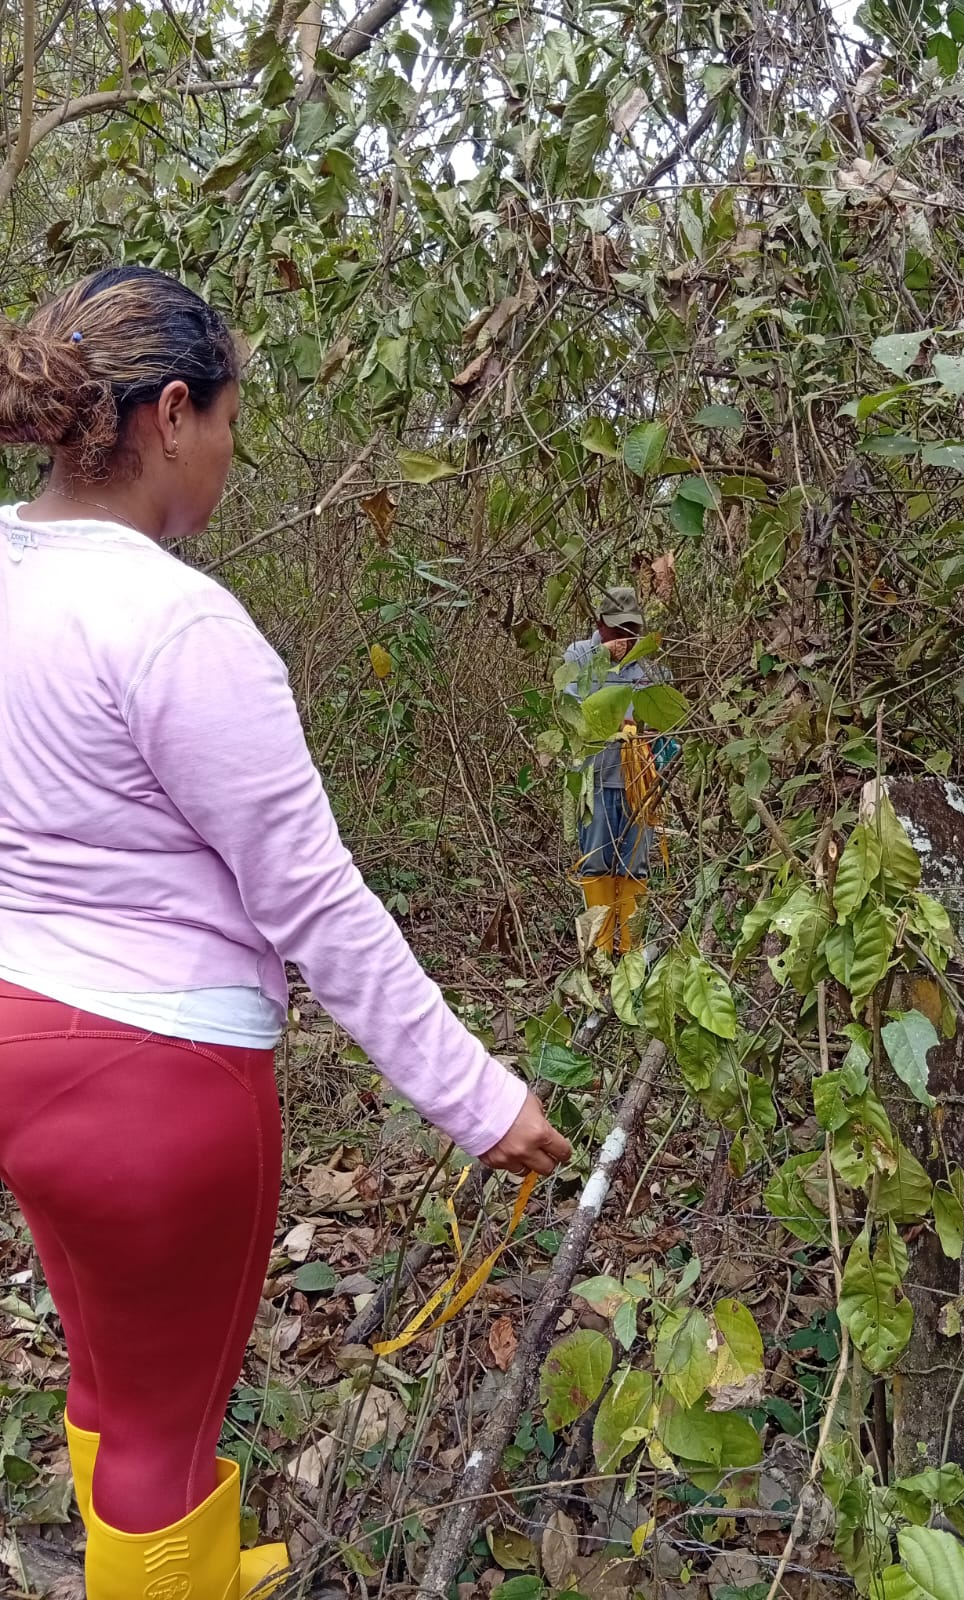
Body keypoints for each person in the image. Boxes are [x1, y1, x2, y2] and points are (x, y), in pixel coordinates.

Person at [0, 265, 570, 1600]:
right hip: (157, 1082)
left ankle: (181, 1562)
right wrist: (476, 1096)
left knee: (113, 1366)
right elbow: (312, 899)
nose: (229, 457)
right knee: (163, 1423)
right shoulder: (178, 627)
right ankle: (168, 1569)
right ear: (171, 413)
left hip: (19, 1041)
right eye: (228, 425)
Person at [562, 587, 669, 956]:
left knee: (635, 865)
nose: (624, 639)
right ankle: (599, 952)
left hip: (639, 782)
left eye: (631, 631)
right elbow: (573, 710)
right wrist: (600, 659)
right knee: (595, 862)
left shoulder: (650, 670)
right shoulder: (578, 655)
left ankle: (631, 951)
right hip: (595, 778)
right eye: (616, 630)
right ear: (600, 625)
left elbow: (663, 724)